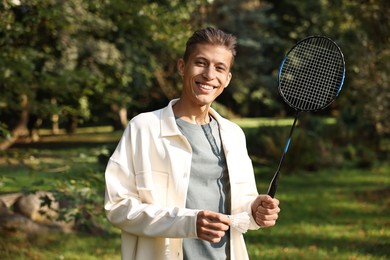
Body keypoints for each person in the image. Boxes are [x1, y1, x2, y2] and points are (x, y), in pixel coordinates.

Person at [104, 27, 280, 260]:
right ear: (181, 66)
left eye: (220, 68)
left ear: (227, 79)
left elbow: (241, 212)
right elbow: (117, 207)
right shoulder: (143, 128)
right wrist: (188, 223)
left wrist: (255, 212)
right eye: (200, 63)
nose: (209, 75)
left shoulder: (233, 134)